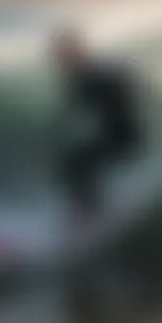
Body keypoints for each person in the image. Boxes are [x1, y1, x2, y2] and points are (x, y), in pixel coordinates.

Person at [50, 27, 142, 223]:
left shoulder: (102, 74)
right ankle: (93, 209)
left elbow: (143, 92)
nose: (62, 62)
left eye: (65, 55)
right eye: (60, 57)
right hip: (112, 135)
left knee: (76, 163)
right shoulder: (78, 79)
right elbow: (69, 115)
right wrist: (52, 143)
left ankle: (94, 211)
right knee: (71, 163)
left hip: (127, 136)